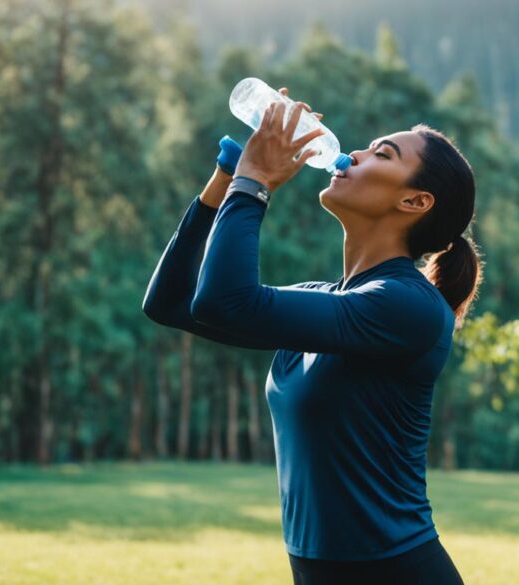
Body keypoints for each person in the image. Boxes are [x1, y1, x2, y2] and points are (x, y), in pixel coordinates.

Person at [142, 87, 481, 585]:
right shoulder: (329, 301)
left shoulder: (407, 308)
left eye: (382, 153)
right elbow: (170, 303)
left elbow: (225, 301)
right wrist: (227, 177)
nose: (357, 153)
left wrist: (256, 182)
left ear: (414, 200)